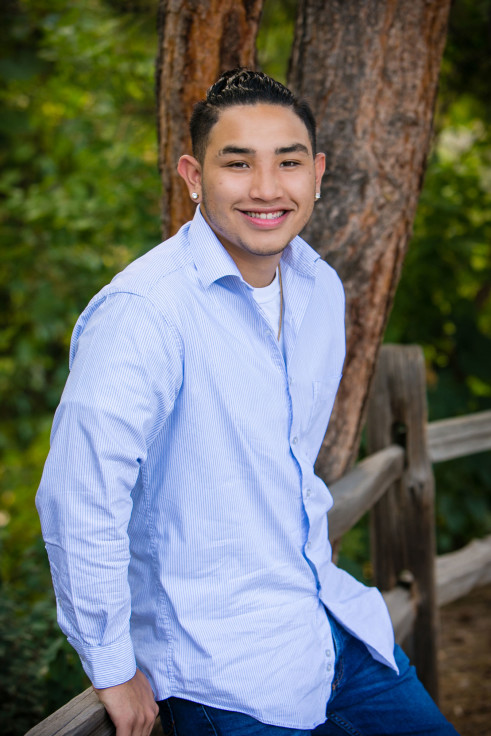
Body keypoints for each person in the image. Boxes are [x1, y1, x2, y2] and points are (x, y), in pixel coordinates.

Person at [36, 69, 459, 736]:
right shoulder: (144, 313)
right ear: (193, 176)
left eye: (287, 163)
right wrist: (112, 665)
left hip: (330, 625)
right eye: (237, 164)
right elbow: (79, 496)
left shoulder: (320, 288)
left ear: (316, 173)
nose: (266, 188)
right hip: (220, 672)